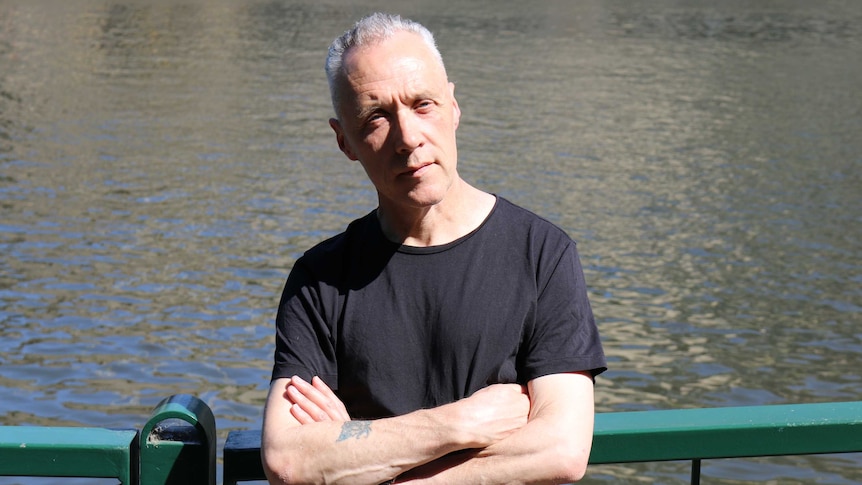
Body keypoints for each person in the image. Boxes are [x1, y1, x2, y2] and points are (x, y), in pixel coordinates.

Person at [261, 12, 606, 485]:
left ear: (453, 107)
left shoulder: (542, 254)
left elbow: (561, 450)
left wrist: (361, 454)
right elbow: (289, 458)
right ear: (345, 141)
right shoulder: (319, 279)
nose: (408, 137)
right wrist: (459, 424)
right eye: (377, 117)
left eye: (423, 104)